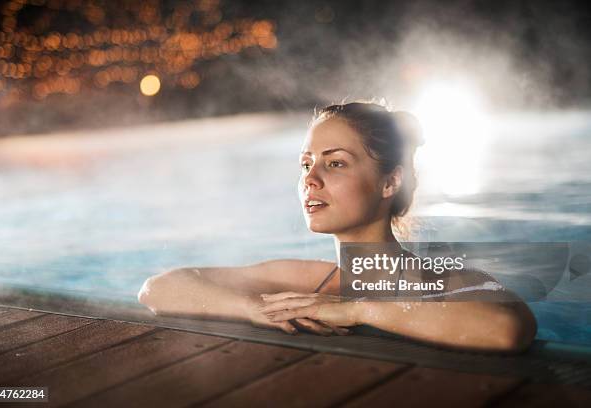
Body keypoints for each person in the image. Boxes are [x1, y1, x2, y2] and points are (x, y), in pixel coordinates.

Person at [137, 101, 537, 353]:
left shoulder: (442, 281)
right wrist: (249, 308)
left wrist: (358, 310)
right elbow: (159, 288)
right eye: (306, 164)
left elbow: (508, 329)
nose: (310, 179)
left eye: (336, 162)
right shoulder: (307, 282)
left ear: (389, 182)